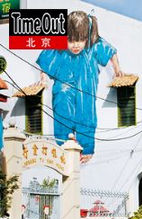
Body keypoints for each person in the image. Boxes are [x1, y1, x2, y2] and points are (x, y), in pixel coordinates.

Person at [36, 11, 123, 162]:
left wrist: (117, 70)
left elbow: (111, 52)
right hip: (64, 87)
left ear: (87, 37)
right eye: (71, 40)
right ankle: (62, 145)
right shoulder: (59, 47)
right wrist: (43, 79)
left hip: (86, 90)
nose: (76, 45)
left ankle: (87, 149)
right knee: (62, 109)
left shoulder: (94, 45)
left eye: (81, 40)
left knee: (86, 116)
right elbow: (45, 59)